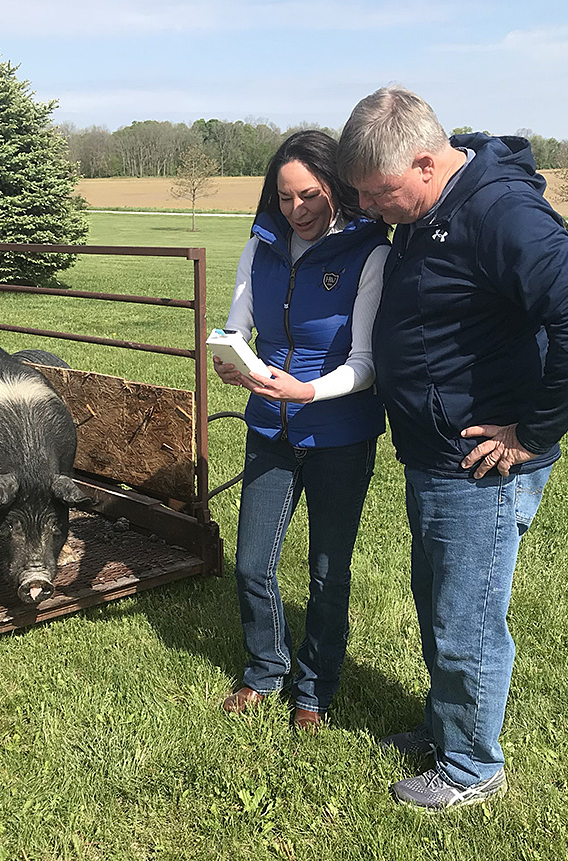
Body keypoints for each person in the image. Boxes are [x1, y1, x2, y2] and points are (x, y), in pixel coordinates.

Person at [336, 86, 568, 809]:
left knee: (467, 617)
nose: (370, 208)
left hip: (480, 464)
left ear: (426, 164)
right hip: (435, 453)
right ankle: (448, 727)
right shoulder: (437, 207)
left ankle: (471, 768)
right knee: (437, 600)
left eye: (379, 193)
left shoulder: (499, 213)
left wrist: (533, 432)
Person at [213, 130, 390, 730]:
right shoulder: (258, 247)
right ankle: (265, 668)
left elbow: (366, 364)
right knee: (250, 564)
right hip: (269, 426)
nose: (298, 210)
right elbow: (238, 326)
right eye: (285, 199)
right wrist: (232, 358)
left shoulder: (370, 253)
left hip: (340, 431)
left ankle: (314, 688)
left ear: (335, 188)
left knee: (325, 571)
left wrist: (308, 390)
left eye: (310, 195)